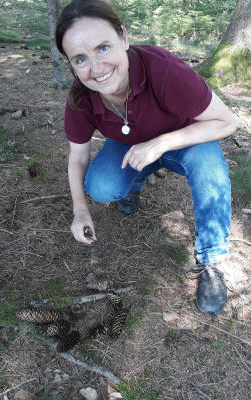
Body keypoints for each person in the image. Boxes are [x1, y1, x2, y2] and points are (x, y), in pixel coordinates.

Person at [55, 0, 237, 316]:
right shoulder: (80, 98)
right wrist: (80, 210)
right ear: (71, 64)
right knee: (99, 186)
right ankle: (136, 181)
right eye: (81, 59)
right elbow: (77, 158)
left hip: (185, 138)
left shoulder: (163, 69)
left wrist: (161, 143)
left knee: (210, 171)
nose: (96, 69)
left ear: (124, 38)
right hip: (133, 146)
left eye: (103, 48)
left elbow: (227, 122)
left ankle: (213, 259)